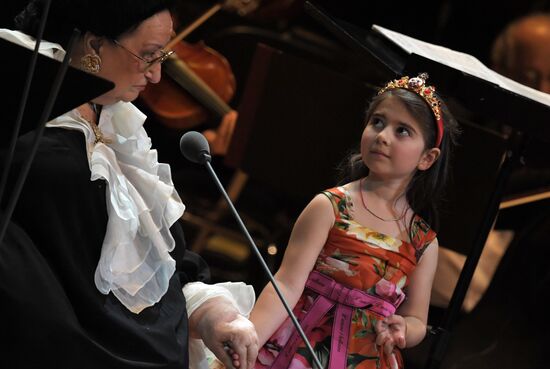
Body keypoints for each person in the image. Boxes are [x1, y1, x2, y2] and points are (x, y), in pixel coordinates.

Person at [0, 0, 258, 368]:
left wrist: (206, 308)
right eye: (148, 55)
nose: (156, 75)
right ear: (93, 46)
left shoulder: (113, 117)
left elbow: (153, 256)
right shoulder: (39, 147)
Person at [248, 73, 460, 369]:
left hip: (365, 356)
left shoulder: (423, 242)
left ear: (427, 158)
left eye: (402, 131)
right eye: (378, 122)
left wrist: (406, 329)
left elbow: (417, 319)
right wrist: (250, 339)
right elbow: (286, 283)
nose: (383, 135)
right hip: (299, 343)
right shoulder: (330, 206)